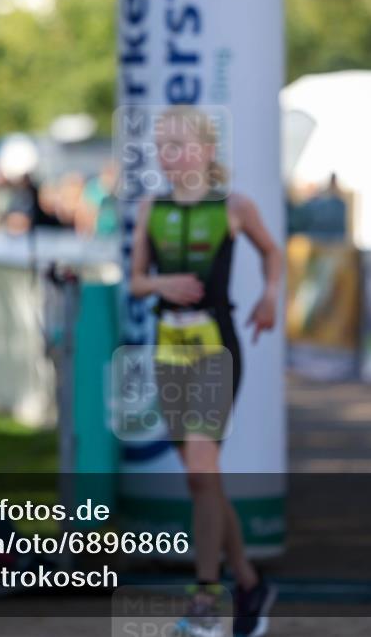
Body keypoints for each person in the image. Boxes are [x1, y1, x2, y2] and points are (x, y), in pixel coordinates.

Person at [130, 105, 282, 637]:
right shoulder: (152, 206)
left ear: (208, 150)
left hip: (217, 345)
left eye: (181, 144)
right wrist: (160, 286)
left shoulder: (235, 205)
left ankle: (204, 600)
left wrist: (268, 296)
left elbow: (272, 252)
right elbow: (135, 281)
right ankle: (247, 581)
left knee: (200, 470)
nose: (171, 155)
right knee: (204, 480)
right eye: (163, 146)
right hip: (169, 347)